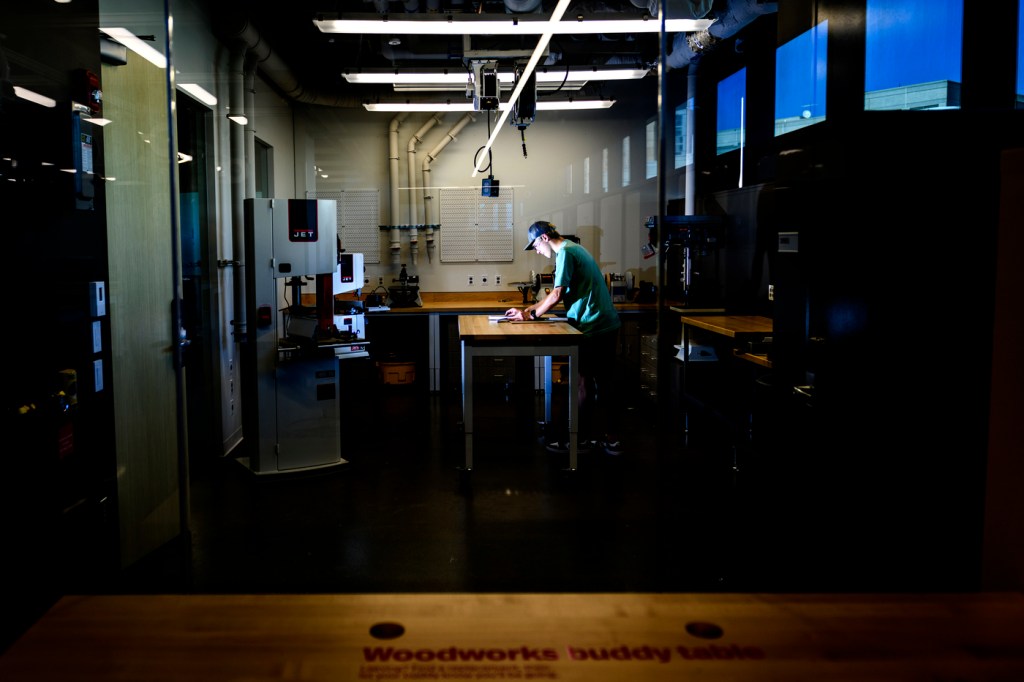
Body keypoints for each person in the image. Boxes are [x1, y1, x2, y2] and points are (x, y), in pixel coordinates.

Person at [504, 220, 623, 456]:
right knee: (599, 384)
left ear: (544, 238)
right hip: (602, 324)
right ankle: (608, 439)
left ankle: (579, 441)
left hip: (594, 326)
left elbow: (556, 294)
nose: (536, 251)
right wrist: (527, 312)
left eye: (535, 245)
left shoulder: (565, 253)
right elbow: (555, 294)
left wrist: (532, 315)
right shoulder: (572, 248)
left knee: (585, 384)